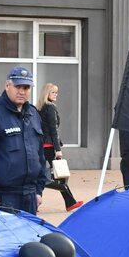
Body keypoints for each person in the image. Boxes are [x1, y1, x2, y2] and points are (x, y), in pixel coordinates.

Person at [0, 66, 47, 213]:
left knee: (29, 237)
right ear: (7, 86)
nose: (22, 91)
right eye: (17, 86)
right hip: (3, 196)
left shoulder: (33, 114)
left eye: (26, 87)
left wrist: (38, 190)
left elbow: (40, 155)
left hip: (30, 196)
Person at [37, 83, 81, 211]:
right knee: (61, 175)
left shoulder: (39, 108)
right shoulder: (50, 108)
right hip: (50, 146)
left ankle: (35, 202)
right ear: (47, 94)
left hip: (41, 145)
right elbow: (53, 130)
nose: (56, 95)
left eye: (56, 92)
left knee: (39, 175)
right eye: (53, 92)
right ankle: (70, 202)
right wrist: (58, 149)